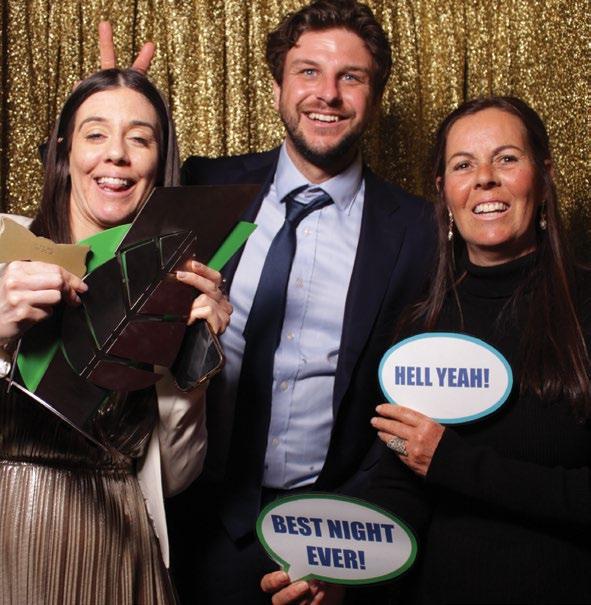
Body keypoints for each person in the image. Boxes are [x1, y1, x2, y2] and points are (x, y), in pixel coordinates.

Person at [265, 95, 591, 603]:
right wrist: (342, 575)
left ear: (543, 176)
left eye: (506, 158)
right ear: (444, 191)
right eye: (463, 165)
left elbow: (440, 462)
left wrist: (456, 463)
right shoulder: (422, 322)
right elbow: (402, 484)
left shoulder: (584, 306)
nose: (485, 179)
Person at [164, 1, 436, 603]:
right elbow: (100, 222)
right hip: (194, 516)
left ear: (374, 97)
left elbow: (412, 398)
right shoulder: (204, 184)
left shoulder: (418, 231)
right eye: (308, 71)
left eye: (351, 77)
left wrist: (348, 554)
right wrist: (117, 98)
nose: (328, 94)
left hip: (327, 528)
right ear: (279, 87)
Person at [0, 68, 231, 604]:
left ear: (160, 162)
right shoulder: (4, 249)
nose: (117, 155)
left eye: (140, 139)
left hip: (117, 546)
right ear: (64, 150)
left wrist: (191, 362)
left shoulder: (175, 284)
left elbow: (176, 477)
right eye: (96, 133)